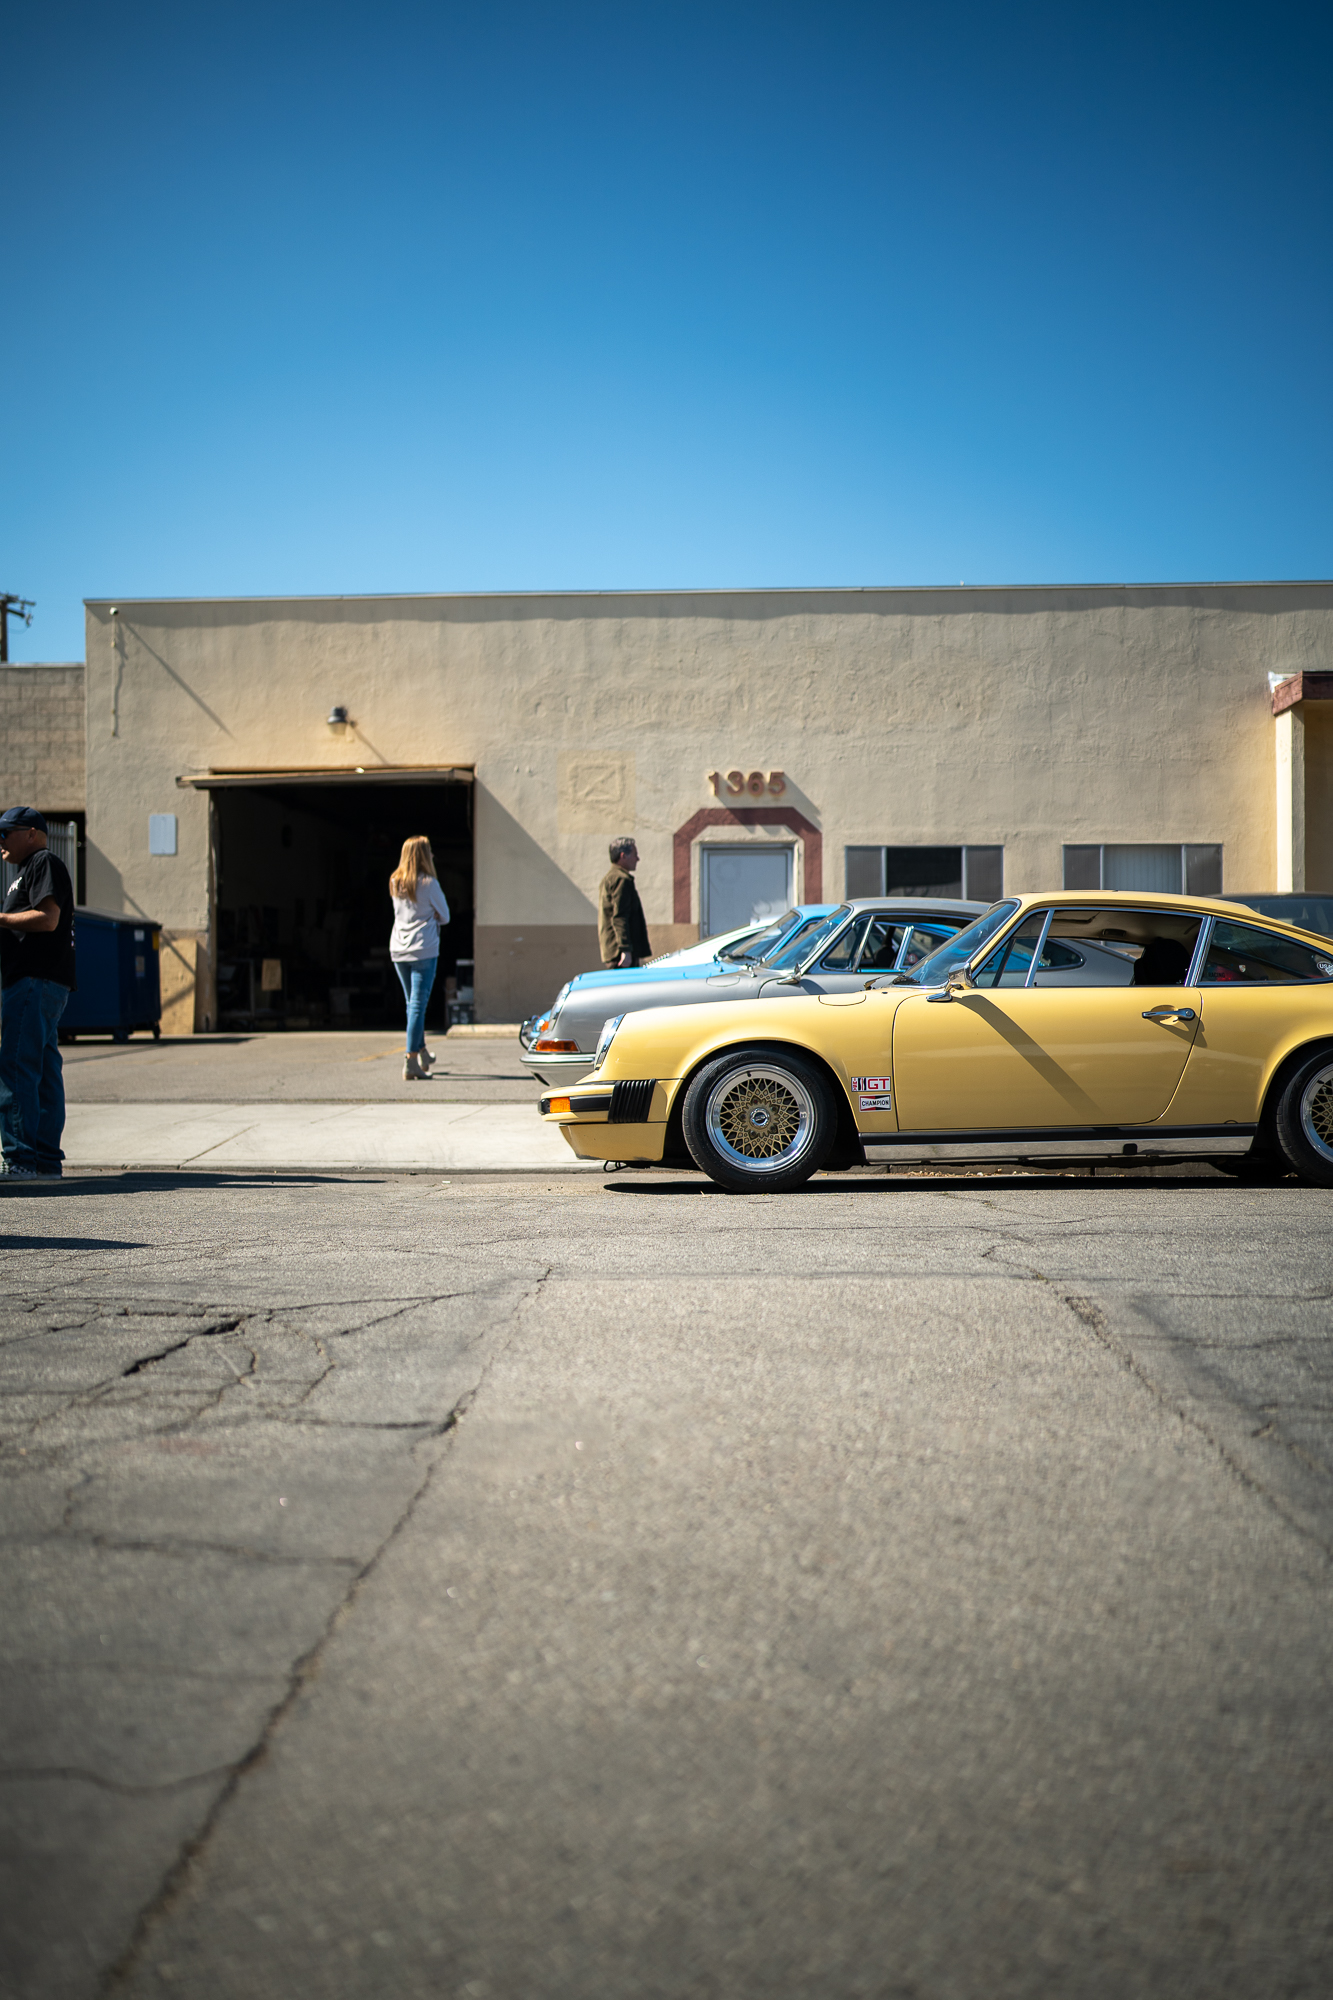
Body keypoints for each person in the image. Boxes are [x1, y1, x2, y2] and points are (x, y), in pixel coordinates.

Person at [0, 807, 77, 1179]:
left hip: (33, 981)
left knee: (17, 1067)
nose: (0, 842)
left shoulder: (42, 861)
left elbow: (48, 919)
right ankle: (45, 1161)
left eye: (4, 833)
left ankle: (20, 1159)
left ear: (31, 833)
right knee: (44, 1069)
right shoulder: (27, 870)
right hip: (42, 982)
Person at [389, 835, 451, 1082]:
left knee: (412, 1005)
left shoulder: (395, 881)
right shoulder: (429, 883)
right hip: (423, 949)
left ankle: (422, 1052)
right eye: (430, 851)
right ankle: (411, 1060)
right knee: (417, 1006)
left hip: (398, 949)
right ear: (424, 855)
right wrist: (432, 915)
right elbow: (445, 916)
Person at [598, 836, 651, 968]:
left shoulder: (610, 878)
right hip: (621, 954)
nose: (637, 859)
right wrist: (625, 950)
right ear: (623, 856)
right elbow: (620, 916)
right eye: (635, 855)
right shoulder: (621, 879)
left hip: (616, 951)